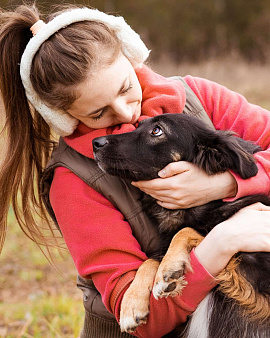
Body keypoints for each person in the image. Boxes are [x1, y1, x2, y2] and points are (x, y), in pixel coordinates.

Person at [0, 4, 270, 338]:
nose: (127, 114)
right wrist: (222, 243)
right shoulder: (71, 181)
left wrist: (226, 184)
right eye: (99, 112)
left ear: (132, 55)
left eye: (126, 88)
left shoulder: (200, 99)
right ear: (64, 117)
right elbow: (144, 320)